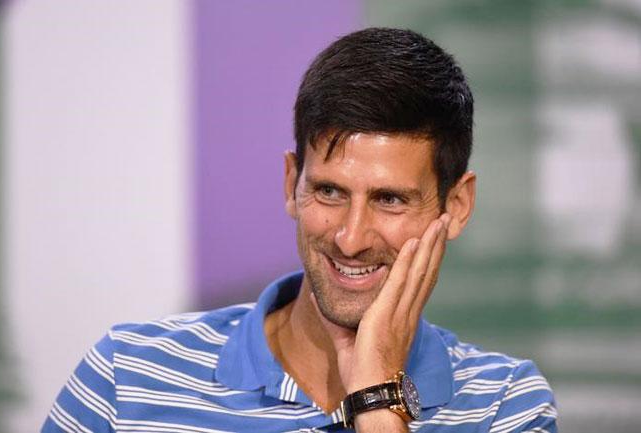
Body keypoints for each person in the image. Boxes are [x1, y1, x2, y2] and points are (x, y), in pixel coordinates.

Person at [42, 28, 557, 433]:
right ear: (292, 183)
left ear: (457, 204)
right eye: (330, 192)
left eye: (390, 200)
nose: (351, 238)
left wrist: (378, 401)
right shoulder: (127, 379)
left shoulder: (505, 406)